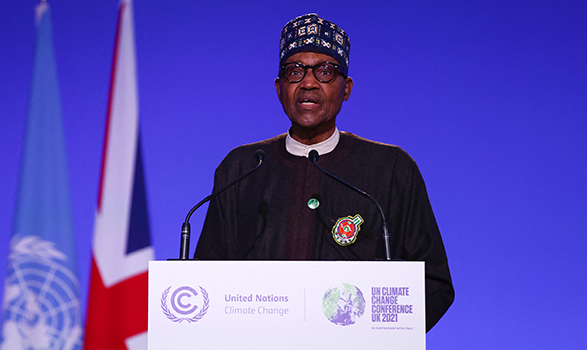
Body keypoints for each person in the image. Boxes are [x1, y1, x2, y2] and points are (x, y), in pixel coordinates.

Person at [194, 13, 454, 331]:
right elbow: (205, 280)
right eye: (295, 70)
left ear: (346, 88)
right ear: (279, 88)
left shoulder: (391, 169)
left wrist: (379, 336)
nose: (308, 82)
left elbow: (434, 283)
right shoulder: (242, 168)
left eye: (325, 71)